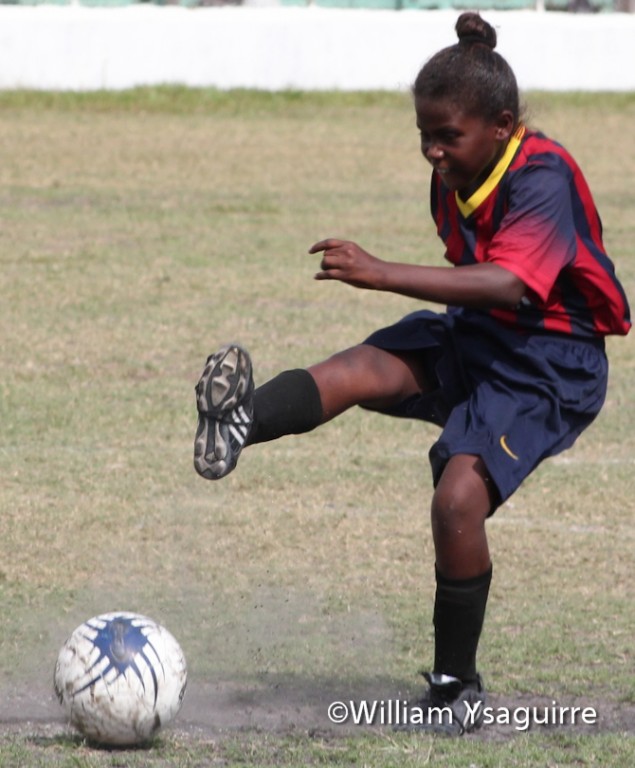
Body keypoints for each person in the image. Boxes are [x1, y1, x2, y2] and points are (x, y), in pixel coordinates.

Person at [192, 12, 630, 736]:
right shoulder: (454, 175)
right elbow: (482, 289)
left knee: (456, 500)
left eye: (446, 136)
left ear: (501, 126)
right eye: (423, 134)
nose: (432, 150)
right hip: (485, 335)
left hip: (549, 364)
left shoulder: (541, 175)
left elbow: (508, 283)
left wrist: (381, 273)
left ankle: (456, 687)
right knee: (366, 366)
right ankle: (240, 420)